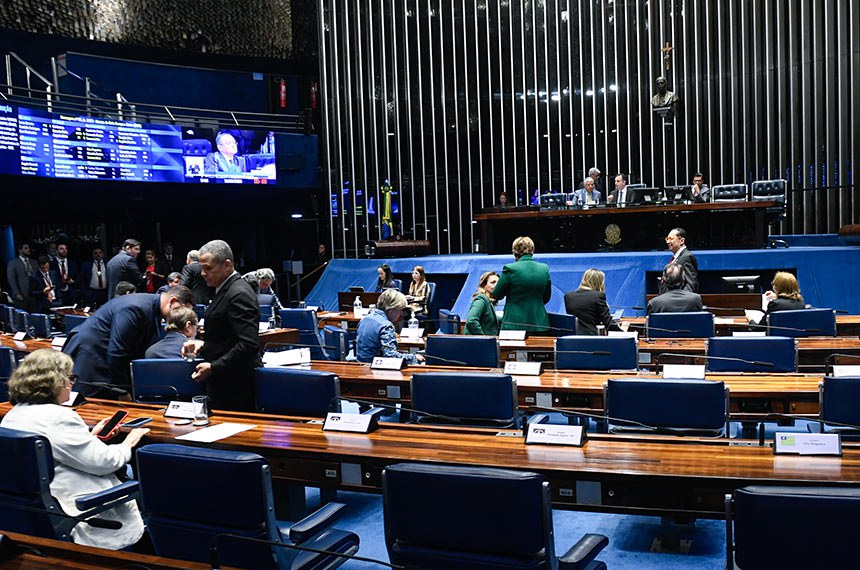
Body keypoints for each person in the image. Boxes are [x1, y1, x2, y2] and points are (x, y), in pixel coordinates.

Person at [1, 349, 149, 550]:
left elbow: (55, 452)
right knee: (141, 481)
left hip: (33, 514)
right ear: (55, 382)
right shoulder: (59, 417)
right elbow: (106, 463)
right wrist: (129, 442)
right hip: (78, 509)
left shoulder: (13, 416)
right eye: (70, 378)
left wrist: (91, 437)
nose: (72, 384)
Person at [62, 286, 194, 398]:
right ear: (172, 301)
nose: (180, 315)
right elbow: (117, 350)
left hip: (104, 359)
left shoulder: (151, 309)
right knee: (85, 406)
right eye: (180, 310)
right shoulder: (135, 307)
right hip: (90, 357)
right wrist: (122, 390)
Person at [183, 240, 261, 412]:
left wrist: (214, 367)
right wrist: (203, 345)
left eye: (208, 268)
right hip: (227, 383)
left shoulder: (238, 293)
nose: (203, 273)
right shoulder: (225, 289)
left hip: (236, 386)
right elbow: (228, 337)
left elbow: (248, 344)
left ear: (227, 265)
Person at [493, 236, 551, 333]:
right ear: (532, 250)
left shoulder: (510, 269)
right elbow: (546, 297)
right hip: (539, 323)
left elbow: (497, 294)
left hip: (514, 324)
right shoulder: (544, 269)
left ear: (514, 252)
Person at [355, 289, 423, 364]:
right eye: (400, 310)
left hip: (360, 365)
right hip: (375, 369)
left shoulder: (364, 319)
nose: (401, 313)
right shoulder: (386, 325)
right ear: (391, 309)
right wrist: (413, 357)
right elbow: (391, 356)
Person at [564, 269, 616, 335]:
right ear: (599, 282)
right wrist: (624, 331)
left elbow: (585, 314)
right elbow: (608, 322)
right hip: (593, 338)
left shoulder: (568, 296)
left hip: (573, 337)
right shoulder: (598, 296)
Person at [659, 227, 699, 293]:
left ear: (681, 241)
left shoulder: (686, 257)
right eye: (667, 239)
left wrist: (680, 300)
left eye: (671, 239)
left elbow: (691, 284)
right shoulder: (677, 257)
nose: (668, 242)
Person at [465, 271, 500, 336]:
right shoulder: (481, 300)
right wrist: (483, 337)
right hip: (478, 344)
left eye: (498, 283)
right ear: (484, 285)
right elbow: (471, 321)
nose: (496, 285)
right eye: (493, 282)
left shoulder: (489, 301)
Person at [6, 242, 38, 311]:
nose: (28, 250)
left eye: (29, 248)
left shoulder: (34, 262)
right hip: (21, 295)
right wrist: (17, 293)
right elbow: (11, 279)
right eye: (26, 248)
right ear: (20, 250)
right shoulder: (13, 263)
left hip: (34, 296)